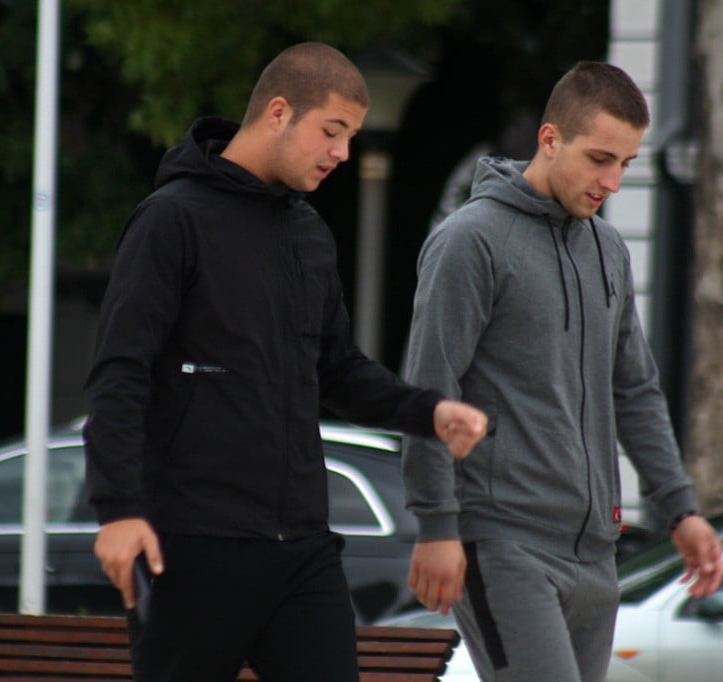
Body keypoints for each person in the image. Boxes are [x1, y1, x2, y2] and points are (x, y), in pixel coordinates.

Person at [82, 42, 488, 682]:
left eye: (350, 137)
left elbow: (337, 370)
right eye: (332, 131)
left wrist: (428, 412)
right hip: (191, 547)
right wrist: (119, 510)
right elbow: (119, 373)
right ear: (278, 113)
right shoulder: (171, 220)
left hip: (301, 550)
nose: (342, 153)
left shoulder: (307, 232)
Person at [401, 61, 723, 682]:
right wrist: (437, 524)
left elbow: (635, 391)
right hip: (502, 542)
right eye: (600, 159)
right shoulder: (470, 241)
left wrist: (681, 510)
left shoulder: (607, 250)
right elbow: (427, 387)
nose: (613, 182)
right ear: (549, 139)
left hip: (595, 555)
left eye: (625, 163)